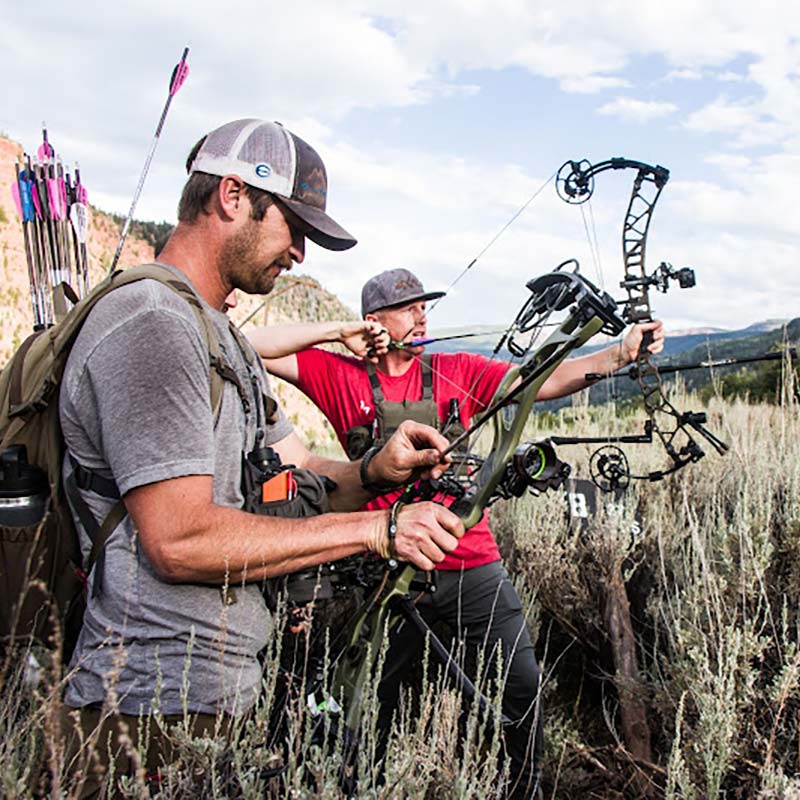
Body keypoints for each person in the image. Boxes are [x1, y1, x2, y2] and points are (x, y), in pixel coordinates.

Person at [57, 122, 464, 794]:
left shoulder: (224, 339)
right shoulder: (153, 326)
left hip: (219, 691)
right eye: (293, 227)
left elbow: (298, 473)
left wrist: (375, 472)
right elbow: (178, 539)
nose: (301, 253)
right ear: (232, 196)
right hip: (151, 704)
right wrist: (376, 530)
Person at [249, 267, 665, 798]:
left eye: (426, 307)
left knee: (521, 688)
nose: (422, 317)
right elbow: (249, 346)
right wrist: (337, 331)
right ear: (375, 320)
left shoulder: (456, 369)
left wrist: (616, 355)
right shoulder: (339, 374)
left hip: (470, 560)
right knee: (375, 701)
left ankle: (525, 789)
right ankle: (366, 785)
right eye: (408, 308)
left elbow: (533, 382)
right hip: (386, 566)